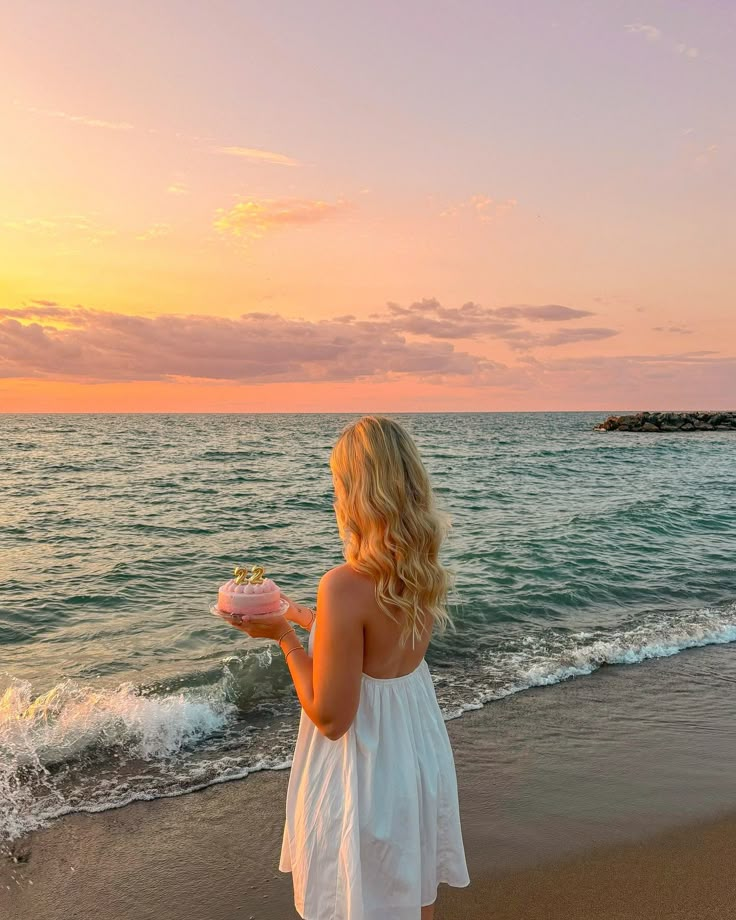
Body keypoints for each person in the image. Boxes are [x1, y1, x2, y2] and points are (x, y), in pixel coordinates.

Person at [220, 415, 470, 919]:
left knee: (356, 899)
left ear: (357, 492)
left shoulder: (344, 584)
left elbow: (332, 719)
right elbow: (375, 650)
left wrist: (285, 637)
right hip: (415, 756)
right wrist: (300, 614)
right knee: (406, 897)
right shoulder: (419, 568)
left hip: (367, 770)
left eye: (339, 484)